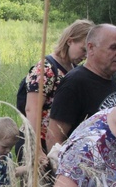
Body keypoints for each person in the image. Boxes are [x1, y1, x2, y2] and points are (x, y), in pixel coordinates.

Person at [46, 24, 116, 151]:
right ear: (91, 48)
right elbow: (53, 139)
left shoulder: (114, 77)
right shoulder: (75, 82)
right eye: (114, 47)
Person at [20, 19, 93, 154]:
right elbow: (32, 109)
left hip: (58, 143)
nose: (86, 55)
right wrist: (36, 150)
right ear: (70, 41)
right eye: (83, 49)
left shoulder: (74, 69)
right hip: (39, 143)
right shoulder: (45, 69)